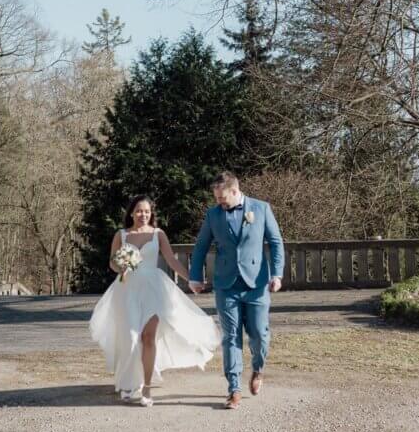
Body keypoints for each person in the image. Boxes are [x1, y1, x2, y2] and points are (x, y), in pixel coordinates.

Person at [89, 194, 219, 406]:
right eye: (139, 211)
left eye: (147, 211)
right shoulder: (121, 235)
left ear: (151, 214)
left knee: (149, 337)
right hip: (127, 290)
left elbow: (171, 260)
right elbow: (112, 262)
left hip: (154, 290)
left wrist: (192, 279)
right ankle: (130, 382)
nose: (143, 215)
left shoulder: (158, 234)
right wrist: (121, 267)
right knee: (131, 339)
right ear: (132, 212)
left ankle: (147, 389)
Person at [189, 172, 284, 409]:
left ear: (235, 190)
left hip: (257, 284)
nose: (219, 202)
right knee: (231, 336)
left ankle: (258, 370)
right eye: (216, 198)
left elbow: (275, 242)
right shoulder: (213, 215)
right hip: (226, 284)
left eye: (222, 198)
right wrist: (194, 277)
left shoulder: (261, 209)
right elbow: (200, 247)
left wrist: (277, 274)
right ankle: (234, 389)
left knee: (259, 335)